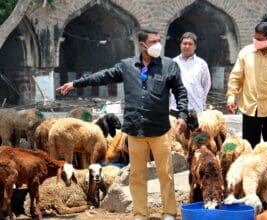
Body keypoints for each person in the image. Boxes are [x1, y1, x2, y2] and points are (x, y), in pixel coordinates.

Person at [56, 28, 188, 220]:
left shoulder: (169, 66)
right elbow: (103, 76)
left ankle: (169, 212)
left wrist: (182, 115)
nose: (158, 45)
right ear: (142, 45)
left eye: (159, 41)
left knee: (166, 173)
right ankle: (140, 213)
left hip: (160, 130)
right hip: (135, 130)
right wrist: (76, 84)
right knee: (137, 176)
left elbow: (180, 92)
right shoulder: (127, 66)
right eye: (153, 42)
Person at [170, 32, 211, 115]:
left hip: (195, 108)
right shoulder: (172, 63)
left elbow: (206, 85)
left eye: (190, 44)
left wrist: (201, 100)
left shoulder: (201, 64)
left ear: (195, 46)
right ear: (180, 45)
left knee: (196, 128)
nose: (187, 46)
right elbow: (168, 86)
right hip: (176, 108)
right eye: (184, 43)